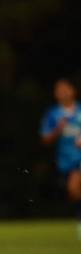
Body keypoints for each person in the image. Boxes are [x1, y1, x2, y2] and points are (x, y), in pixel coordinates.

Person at [40, 78, 81, 238]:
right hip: (65, 160)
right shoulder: (53, 113)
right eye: (59, 90)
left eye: (65, 89)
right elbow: (44, 139)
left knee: (74, 185)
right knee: (73, 191)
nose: (62, 93)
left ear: (73, 91)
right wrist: (58, 129)